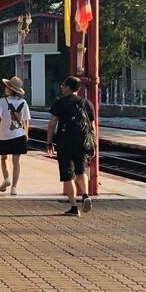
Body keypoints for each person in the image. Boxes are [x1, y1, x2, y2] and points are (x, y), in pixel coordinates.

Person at [46, 76, 95, 216]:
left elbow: (51, 125)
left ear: (68, 87)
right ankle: (85, 195)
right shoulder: (86, 103)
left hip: (64, 143)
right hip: (81, 143)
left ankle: (74, 207)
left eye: (63, 85)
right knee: (81, 172)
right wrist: (93, 144)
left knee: (67, 175)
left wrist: (49, 142)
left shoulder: (59, 103)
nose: (61, 87)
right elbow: (92, 126)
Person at [0, 76, 30, 195]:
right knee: (16, 161)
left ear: (10, 89)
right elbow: (26, 120)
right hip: (19, 135)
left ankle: (7, 178)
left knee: (4, 159)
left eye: (7, 86)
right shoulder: (23, 102)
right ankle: (14, 187)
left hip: (5, 135)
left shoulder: (1, 101)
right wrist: (26, 133)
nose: (5, 88)